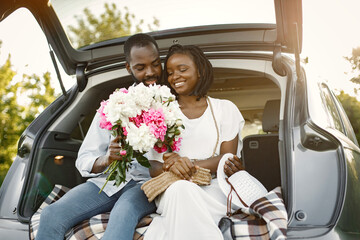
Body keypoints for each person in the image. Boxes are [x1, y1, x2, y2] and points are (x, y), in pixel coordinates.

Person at [36, 33, 162, 240]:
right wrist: (106, 160)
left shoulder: (170, 104)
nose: (150, 72)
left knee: (123, 212)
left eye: (155, 64)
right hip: (107, 182)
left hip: (144, 186)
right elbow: (83, 160)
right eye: (141, 67)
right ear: (128, 68)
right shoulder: (112, 106)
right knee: (51, 214)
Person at [143, 44, 245, 240]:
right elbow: (154, 166)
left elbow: (227, 158)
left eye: (183, 69)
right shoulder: (161, 112)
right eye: (170, 73)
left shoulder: (225, 108)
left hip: (215, 188)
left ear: (200, 71)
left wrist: (186, 164)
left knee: (177, 210)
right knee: (181, 189)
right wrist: (170, 167)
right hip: (172, 188)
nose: (175, 77)